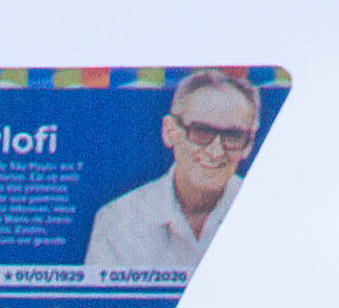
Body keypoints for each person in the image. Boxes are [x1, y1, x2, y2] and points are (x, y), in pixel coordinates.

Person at [81, 68, 265, 275]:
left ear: (248, 145)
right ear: (169, 131)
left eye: (233, 136)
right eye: (202, 131)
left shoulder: (266, 216)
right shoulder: (118, 220)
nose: (216, 151)